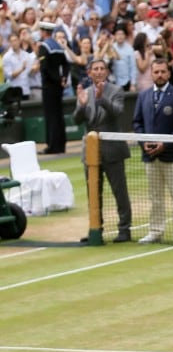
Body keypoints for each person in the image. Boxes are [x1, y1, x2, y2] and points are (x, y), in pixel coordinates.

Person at [73, 59, 132, 243]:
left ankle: (124, 229)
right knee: (93, 194)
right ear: (90, 73)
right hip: (91, 153)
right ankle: (95, 230)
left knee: (119, 192)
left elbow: (117, 112)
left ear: (106, 72)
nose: (98, 72)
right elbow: (76, 120)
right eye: (95, 69)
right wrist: (82, 106)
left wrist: (102, 99)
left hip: (113, 151)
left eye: (102, 69)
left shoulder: (116, 91)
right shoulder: (85, 93)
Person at [132, 60, 173, 244]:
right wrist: (145, 144)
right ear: (151, 73)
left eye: (163, 72)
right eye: (156, 72)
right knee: (155, 196)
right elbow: (137, 123)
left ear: (168, 73)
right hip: (150, 156)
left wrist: (164, 143)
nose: (159, 75)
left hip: (172, 155)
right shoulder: (143, 96)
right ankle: (156, 230)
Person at [36, 21, 69, 154]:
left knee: (51, 117)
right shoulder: (58, 46)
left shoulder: (44, 47)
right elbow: (66, 65)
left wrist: (57, 80)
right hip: (59, 87)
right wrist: (63, 78)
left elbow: (45, 69)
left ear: (44, 32)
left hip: (49, 87)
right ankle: (61, 144)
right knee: (59, 116)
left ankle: (52, 146)